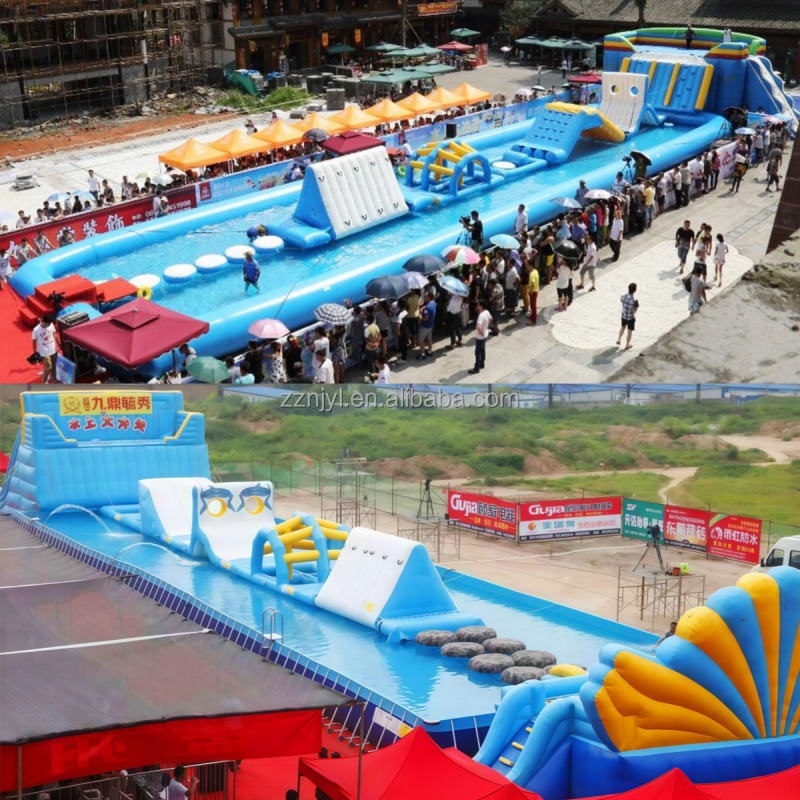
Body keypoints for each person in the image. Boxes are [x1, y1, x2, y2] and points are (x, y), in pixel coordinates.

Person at [32, 311, 58, 384]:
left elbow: (54, 334)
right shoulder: (36, 330)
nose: (49, 325)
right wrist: (34, 352)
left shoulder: (51, 324)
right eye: (48, 323)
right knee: (48, 367)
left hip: (53, 349)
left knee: (53, 365)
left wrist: (57, 343)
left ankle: (54, 379)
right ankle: (44, 382)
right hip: (44, 352)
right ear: (44, 322)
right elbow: (34, 341)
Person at [468, 299, 491, 374]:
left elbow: (478, 327)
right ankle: (482, 364)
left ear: (481, 306)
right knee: (482, 350)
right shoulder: (487, 312)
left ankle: (476, 368)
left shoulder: (481, 316)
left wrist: (481, 333)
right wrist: (486, 327)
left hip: (480, 337)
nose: (477, 306)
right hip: (485, 334)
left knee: (477, 352)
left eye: (478, 305)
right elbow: (490, 319)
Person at [616, 282, 638, 350]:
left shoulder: (624, 296)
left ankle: (619, 339)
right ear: (635, 290)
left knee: (623, 327)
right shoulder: (635, 300)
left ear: (628, 288)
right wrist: (634, 310)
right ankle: (627, 345)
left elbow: (621, 300)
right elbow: (635, 310)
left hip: (624, 315)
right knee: (629, 331)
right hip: (630, 317)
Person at [416, 290, 436, 359]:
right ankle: (430, 351)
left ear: (429, 297)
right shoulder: (433, 303)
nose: (424, 297)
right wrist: (423, 307)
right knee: (429, 339)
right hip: (431, 325)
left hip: (425, 326)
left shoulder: (428, 308)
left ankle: (422, 354)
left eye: (425, 296)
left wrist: (419, 315)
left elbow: (425, 319)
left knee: (420, 340)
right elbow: (427, 307)